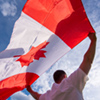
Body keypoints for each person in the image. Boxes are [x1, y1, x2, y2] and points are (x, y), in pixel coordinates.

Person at [26, 33, 97, 100]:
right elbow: (88, 60)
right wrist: (93, 40)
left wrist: (29, 89)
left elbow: (37, 97)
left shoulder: (49, 95)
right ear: (64, 76)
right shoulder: (71, 81)